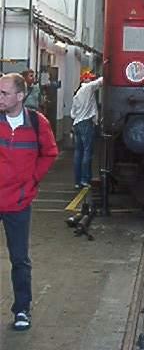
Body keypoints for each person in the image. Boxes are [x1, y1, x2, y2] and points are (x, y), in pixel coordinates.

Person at [0, 73, 58, 330]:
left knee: (20, 260)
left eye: (4, 93)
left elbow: (49, 153)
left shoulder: (37, 122)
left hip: (18, 204)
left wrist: (31, 181)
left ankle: (22, 309)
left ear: (20, 96)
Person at [70, 72, 103, 189]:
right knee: (87, 152)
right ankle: (85, 179)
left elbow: (72, 113)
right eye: (90, 78)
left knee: (78, 152)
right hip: (86, 123)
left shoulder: (77, 94)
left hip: (77, 124)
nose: (92, 80)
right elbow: (101, 81)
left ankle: (77, 181)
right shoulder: (88, 88)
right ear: (86, 80)